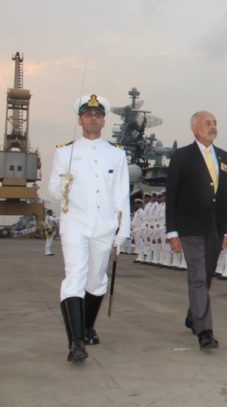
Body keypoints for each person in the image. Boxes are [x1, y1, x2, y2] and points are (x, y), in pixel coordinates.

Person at [48, 94, 130, 363]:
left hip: (104, 225)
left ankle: (85, 326)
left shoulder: (116, 154)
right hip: (75, 224)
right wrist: (63, 182)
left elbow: (121, 195)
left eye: (97, 114)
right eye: (87, 114)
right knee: (75, 276)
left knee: (96, 282)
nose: (93, 117)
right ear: (80, 119)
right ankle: (76, 341)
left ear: (104, 120)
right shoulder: (65, 151)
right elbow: (53, 192)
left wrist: (123, 230)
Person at [166, 110, 227, 350]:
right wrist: (172, 232)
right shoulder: (182, 156)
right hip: (190, 227)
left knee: (206, 275)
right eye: (207, 123)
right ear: (195, 128)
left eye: (215, 123)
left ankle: (193, 315)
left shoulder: (225, 157)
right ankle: (204, 331)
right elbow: (171, 195)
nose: (213, 127)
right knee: (197, 278)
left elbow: (226, 198)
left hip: (214, 228)